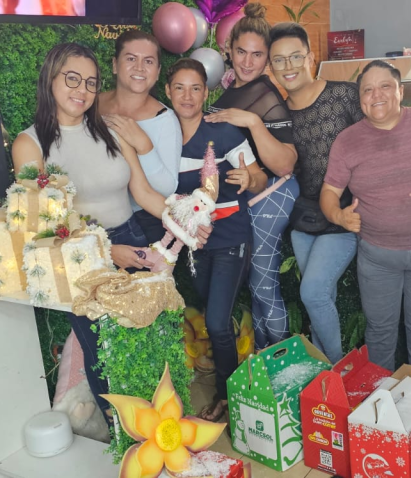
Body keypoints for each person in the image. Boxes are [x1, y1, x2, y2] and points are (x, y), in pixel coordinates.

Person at [9, 43, 200, 427]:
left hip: (133, 240)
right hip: (85, 259)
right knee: (108, 357)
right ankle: (124, 437)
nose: (82, 90)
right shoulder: (30, 144)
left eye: (91, 83)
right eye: (72, 79)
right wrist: (109, 252)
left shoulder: (110, 130)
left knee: (153, 346)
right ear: (51, 79)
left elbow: (143, 192)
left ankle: (163, 436)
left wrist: (186, 219)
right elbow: (45, 227)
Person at [322, 60, 411, 378]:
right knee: (380, 331)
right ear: (360, 100)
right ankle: (380, 399)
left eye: (385, 86)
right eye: (367, 90)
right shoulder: (348, 141)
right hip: (378, 257)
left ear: (401, 91)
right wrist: (338, 215)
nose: (376, 95)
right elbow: (329, 191)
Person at [166, 58, 269, 422]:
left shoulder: (223, 133)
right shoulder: (163, 137)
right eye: (180, 88)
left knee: (216, 321)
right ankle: (238, 375)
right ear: (168, 92)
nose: (187, 96)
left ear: (206, 93)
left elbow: (259, 177)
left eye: (196, 88)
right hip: (195, 246)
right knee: (212, 313)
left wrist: (249, 179)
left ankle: (227, 397)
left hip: (230, 238)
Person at [205, 3, 299, 351]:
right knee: (256, 286)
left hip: (271, 193)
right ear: (229, 50)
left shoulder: (264, 95)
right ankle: (263, 358)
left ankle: (285, 361)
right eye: (241, 51)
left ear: (267, 58)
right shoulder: (234, 89)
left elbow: (285, 164)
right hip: (247, 197)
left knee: (263, 284)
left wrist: (253, 122)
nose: (247, 61)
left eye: (257, 54)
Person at [268, 22, 363, 364]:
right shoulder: (277, 114)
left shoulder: (345, 95)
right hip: (303, 219)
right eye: (279, 60)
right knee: (322, 297)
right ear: (271, 67)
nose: (288, 66)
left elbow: (382, 133)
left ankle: (335, 370)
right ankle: (325, 380)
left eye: (295, 56)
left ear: (310, 58)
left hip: (344, 216)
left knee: (312, 292)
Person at [99, 30, 184, 268]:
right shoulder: (91, 104)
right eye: (131, 58)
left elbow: (167, 188)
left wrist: (144, 145)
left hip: (143, 223)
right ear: (115, 65)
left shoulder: (165, 120)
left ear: (157, 72)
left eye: (148, 61)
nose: (139, 67)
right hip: (93, 221)